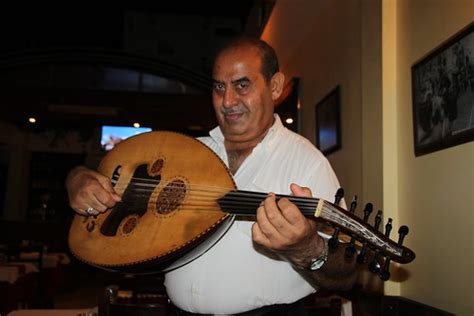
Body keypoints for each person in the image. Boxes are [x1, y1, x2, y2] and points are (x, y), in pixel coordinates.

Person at [66, 38, 357, 315]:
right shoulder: (190, 152)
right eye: (219, 87)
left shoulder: (307, 163)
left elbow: (347, 273)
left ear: (275, 86)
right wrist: (77, 178)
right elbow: (109, 181)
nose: (227, 100)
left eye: (242, 85)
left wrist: (307, 247)